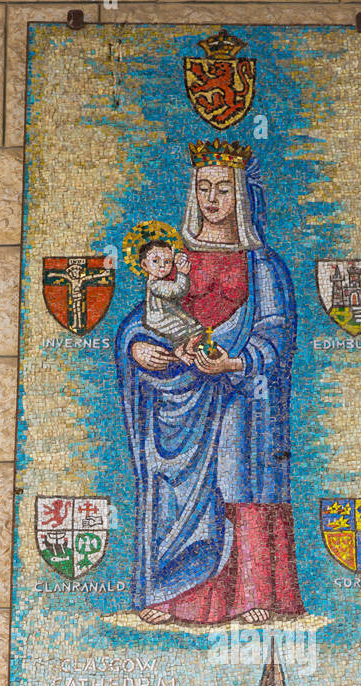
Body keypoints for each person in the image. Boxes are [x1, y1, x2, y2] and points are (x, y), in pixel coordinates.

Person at [116, 143, 304, 626]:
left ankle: (251, 594)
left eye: (223, 188)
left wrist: (236, 363)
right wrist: (136, 344)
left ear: (240, 194)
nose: (212, 198)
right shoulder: (176, 259)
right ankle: (180, 597)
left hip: (243, 398)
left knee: (241, 482)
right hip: (184, 399)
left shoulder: (263, 265)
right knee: (180, 492)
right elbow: (151, 315)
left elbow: (276, 336)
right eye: (203, 188)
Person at [139, 239, 203, 361]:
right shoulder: (155, 285)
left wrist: (179, 260)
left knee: (194, 327)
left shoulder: (160, 283)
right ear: (144, 265)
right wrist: (182, 274)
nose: (162, 266)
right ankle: (181, 351)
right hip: (159, 318)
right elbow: (177, 290)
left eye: (167, 261)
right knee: (180, 329)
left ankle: (188, 348)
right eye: (155, 261)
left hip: (169, 313)